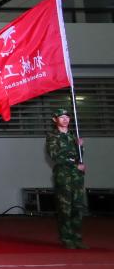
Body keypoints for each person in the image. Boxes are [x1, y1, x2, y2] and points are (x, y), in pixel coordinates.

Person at [46, 107, 87, 249]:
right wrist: (75, 165)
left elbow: (78, 156)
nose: (65, 119)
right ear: (55, 120)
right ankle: (66, 237)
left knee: (78, 206)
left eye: (67, 117)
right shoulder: (52, 136)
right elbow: (55, 156)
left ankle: (77, 237)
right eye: (61, 117)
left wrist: (80, 147)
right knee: (65, 207)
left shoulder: (72, 136)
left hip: (76, 175)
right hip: (63, 174)